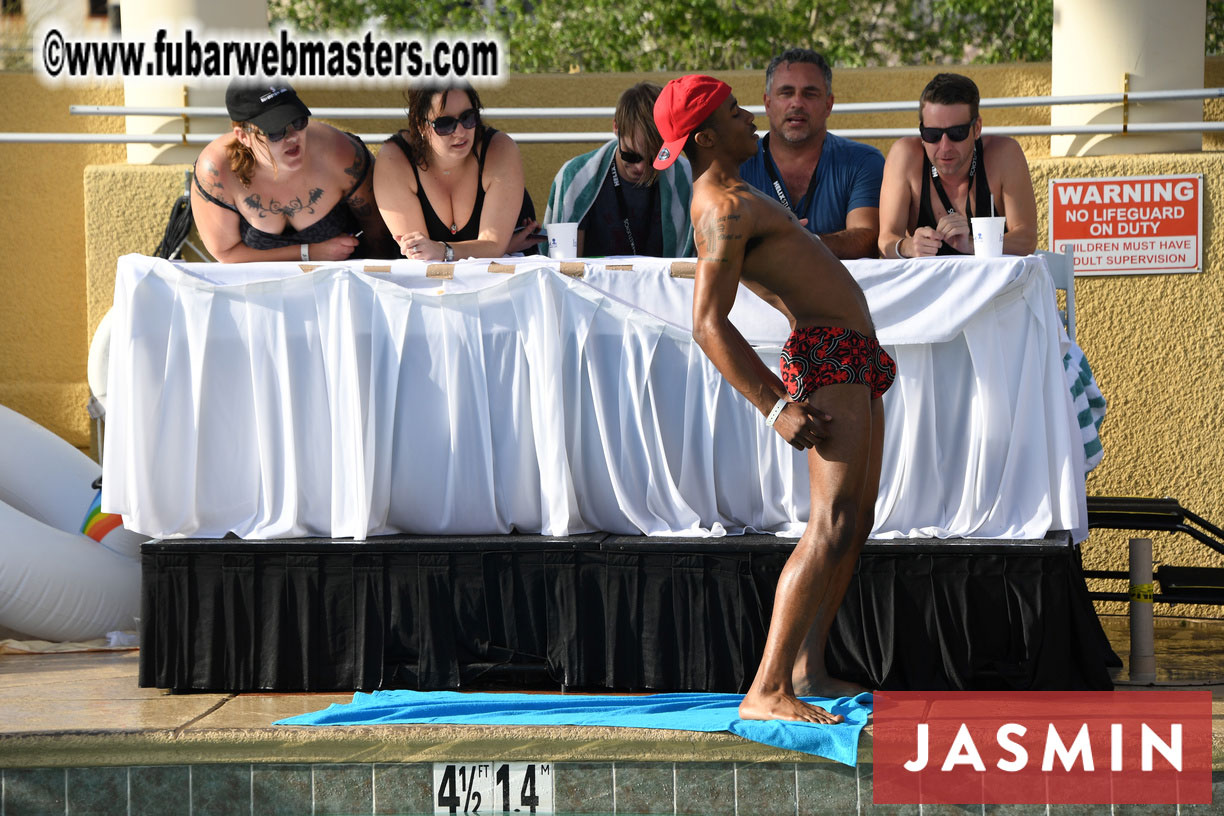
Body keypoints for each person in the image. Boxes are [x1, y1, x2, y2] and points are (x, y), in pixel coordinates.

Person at [653, 75, 893, 723]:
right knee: (830, 523)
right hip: (825, 357)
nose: (749, 120)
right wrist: (774, 404)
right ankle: (767, 689)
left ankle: (808, 668)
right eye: (734, 113)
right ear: (704, 135)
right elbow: (707, 322)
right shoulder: (721, 208)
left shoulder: (739, 194)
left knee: (856, 519)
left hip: (852, 356)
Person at [191, 80, 395, 263]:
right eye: (275, 132)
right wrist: (308, 253)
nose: (292, 137)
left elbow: (381, 237)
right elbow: (226, 253)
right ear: (243, 136)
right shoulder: (217, 173)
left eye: (298, 122)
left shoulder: (339, 154)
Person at [739, 49, 884, 260]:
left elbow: (867, 239)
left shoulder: (863, 162)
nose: (797, 103)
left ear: (828, 104)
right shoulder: (738, 163)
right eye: (786, 93)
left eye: (809, 94)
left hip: (838, 292)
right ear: (768, 103)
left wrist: (798, 243)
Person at [374, 83, 543, 261]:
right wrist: (495, 248)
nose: (460, 132)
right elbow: (420, 256)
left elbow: (492, 245)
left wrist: (444, 251)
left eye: (468, 117)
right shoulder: (396, 159)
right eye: (445, 124)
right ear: (421, 125)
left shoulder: (498, 149)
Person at [878, 72, 1038, 258]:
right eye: (932, 134)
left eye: (957, 133)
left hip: (994, 286)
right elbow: (885, 241)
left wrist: (971, 244)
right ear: (921, 131)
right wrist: (908, 247)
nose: (945, 147)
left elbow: (1027, 239)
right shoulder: (905, 156)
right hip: (932, 285)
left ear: (976, 128)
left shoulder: (1004, 154)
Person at [544, 82, 693, 257]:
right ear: (616, 127)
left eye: (655, 158)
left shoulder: (686, 179)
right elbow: (566, 266)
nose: (641, 167)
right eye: (631, 156)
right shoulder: (576, 177)